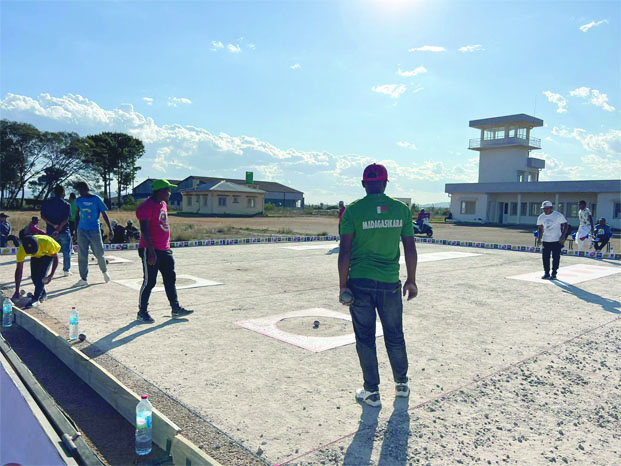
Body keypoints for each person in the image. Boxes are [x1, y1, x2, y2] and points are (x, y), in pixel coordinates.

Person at [338, 163, 418, 407]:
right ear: (385, 183)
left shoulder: (352, 211)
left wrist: (343, 286)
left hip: (360, 283)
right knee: (395, 335)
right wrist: (411, 280)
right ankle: (401, 384)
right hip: (390, 283)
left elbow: (345, 251)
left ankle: (371, 392)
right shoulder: (401, 210)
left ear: (364, 184)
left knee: (365, 338)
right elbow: (410, 248)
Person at [135, 179, 194, 322]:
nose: (169, 193)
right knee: (149, 282)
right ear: (160, 191)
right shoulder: (146, 206)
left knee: (170, 279)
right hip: (150, 249)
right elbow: (144, 230)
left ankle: (175, 308)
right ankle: (142, 312)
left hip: (165, 248)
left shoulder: (163, 204)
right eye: (168, 190)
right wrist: (151, 251)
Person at [73, 182, 112, 287]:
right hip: (82, 230)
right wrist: (75, 231)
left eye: (82, 190)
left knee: (99, 252)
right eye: (79, 191)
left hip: (94, 229)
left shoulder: (96, 199)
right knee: (82, 254)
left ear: (86, 189)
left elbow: (104, 214)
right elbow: (77, 216)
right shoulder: (78, 200)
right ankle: (83, 278)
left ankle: (104, 271)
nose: (80, 193)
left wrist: (110, 229)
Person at [11, 234, 60, 308]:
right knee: (34, 277)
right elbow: (19, 270)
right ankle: (42, 294)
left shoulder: (47, 243)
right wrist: (17, 290)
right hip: (36, 257)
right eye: (31, 252)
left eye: (34, 251)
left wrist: (51, 275)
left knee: (41, 276)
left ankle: (36, 298)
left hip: (48, 255)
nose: (33, 253)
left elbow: (56, 258)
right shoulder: (21, 250)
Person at [41, 185, 72, 276]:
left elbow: (43, 216)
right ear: (63, 193)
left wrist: (53, 225)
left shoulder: (46, 203)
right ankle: (66, 270)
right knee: (66, 251)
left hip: (51, 230)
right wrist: (58, 228)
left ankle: (45, 270)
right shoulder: (66, 204)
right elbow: (66, 219)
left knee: (49, 252)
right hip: (64, 231)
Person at [536, 201, 568, 280]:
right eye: (544, 209)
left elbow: (565, 224)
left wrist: (563, 236)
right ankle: (546, 273)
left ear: (551, 208)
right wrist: (539, 238)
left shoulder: (557, 215)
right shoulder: (541, 217)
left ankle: (554, 273)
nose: (545, 210)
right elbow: (540, 228)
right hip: (546, 240)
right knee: (545, 257)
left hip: (556, 240)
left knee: (556, 257)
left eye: (547, 209)